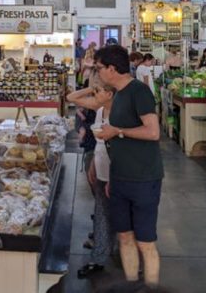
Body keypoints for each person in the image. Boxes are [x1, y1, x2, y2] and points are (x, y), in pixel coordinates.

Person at [93, 45, 164, 288]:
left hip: (144, 177)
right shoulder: (118, 94)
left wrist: (118, 131)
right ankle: (132, 281)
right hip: (121, 177)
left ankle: (151, 285)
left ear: (112, 69)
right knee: (124, 236)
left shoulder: (139, 92)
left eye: (99, 68)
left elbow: (153, 132)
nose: (97, 72)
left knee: (145, 241)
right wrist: (113, 177)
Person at [67, 80, 117, 279]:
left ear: (111, 94)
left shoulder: (120, 113)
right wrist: (94, 165)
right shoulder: (99, 110)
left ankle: (128, 256)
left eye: (99, 91)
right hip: (101, 165)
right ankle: (99, 256)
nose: (95, 94)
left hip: (117, 170)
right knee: (102, 210)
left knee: (116, 213)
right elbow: (70, 98)